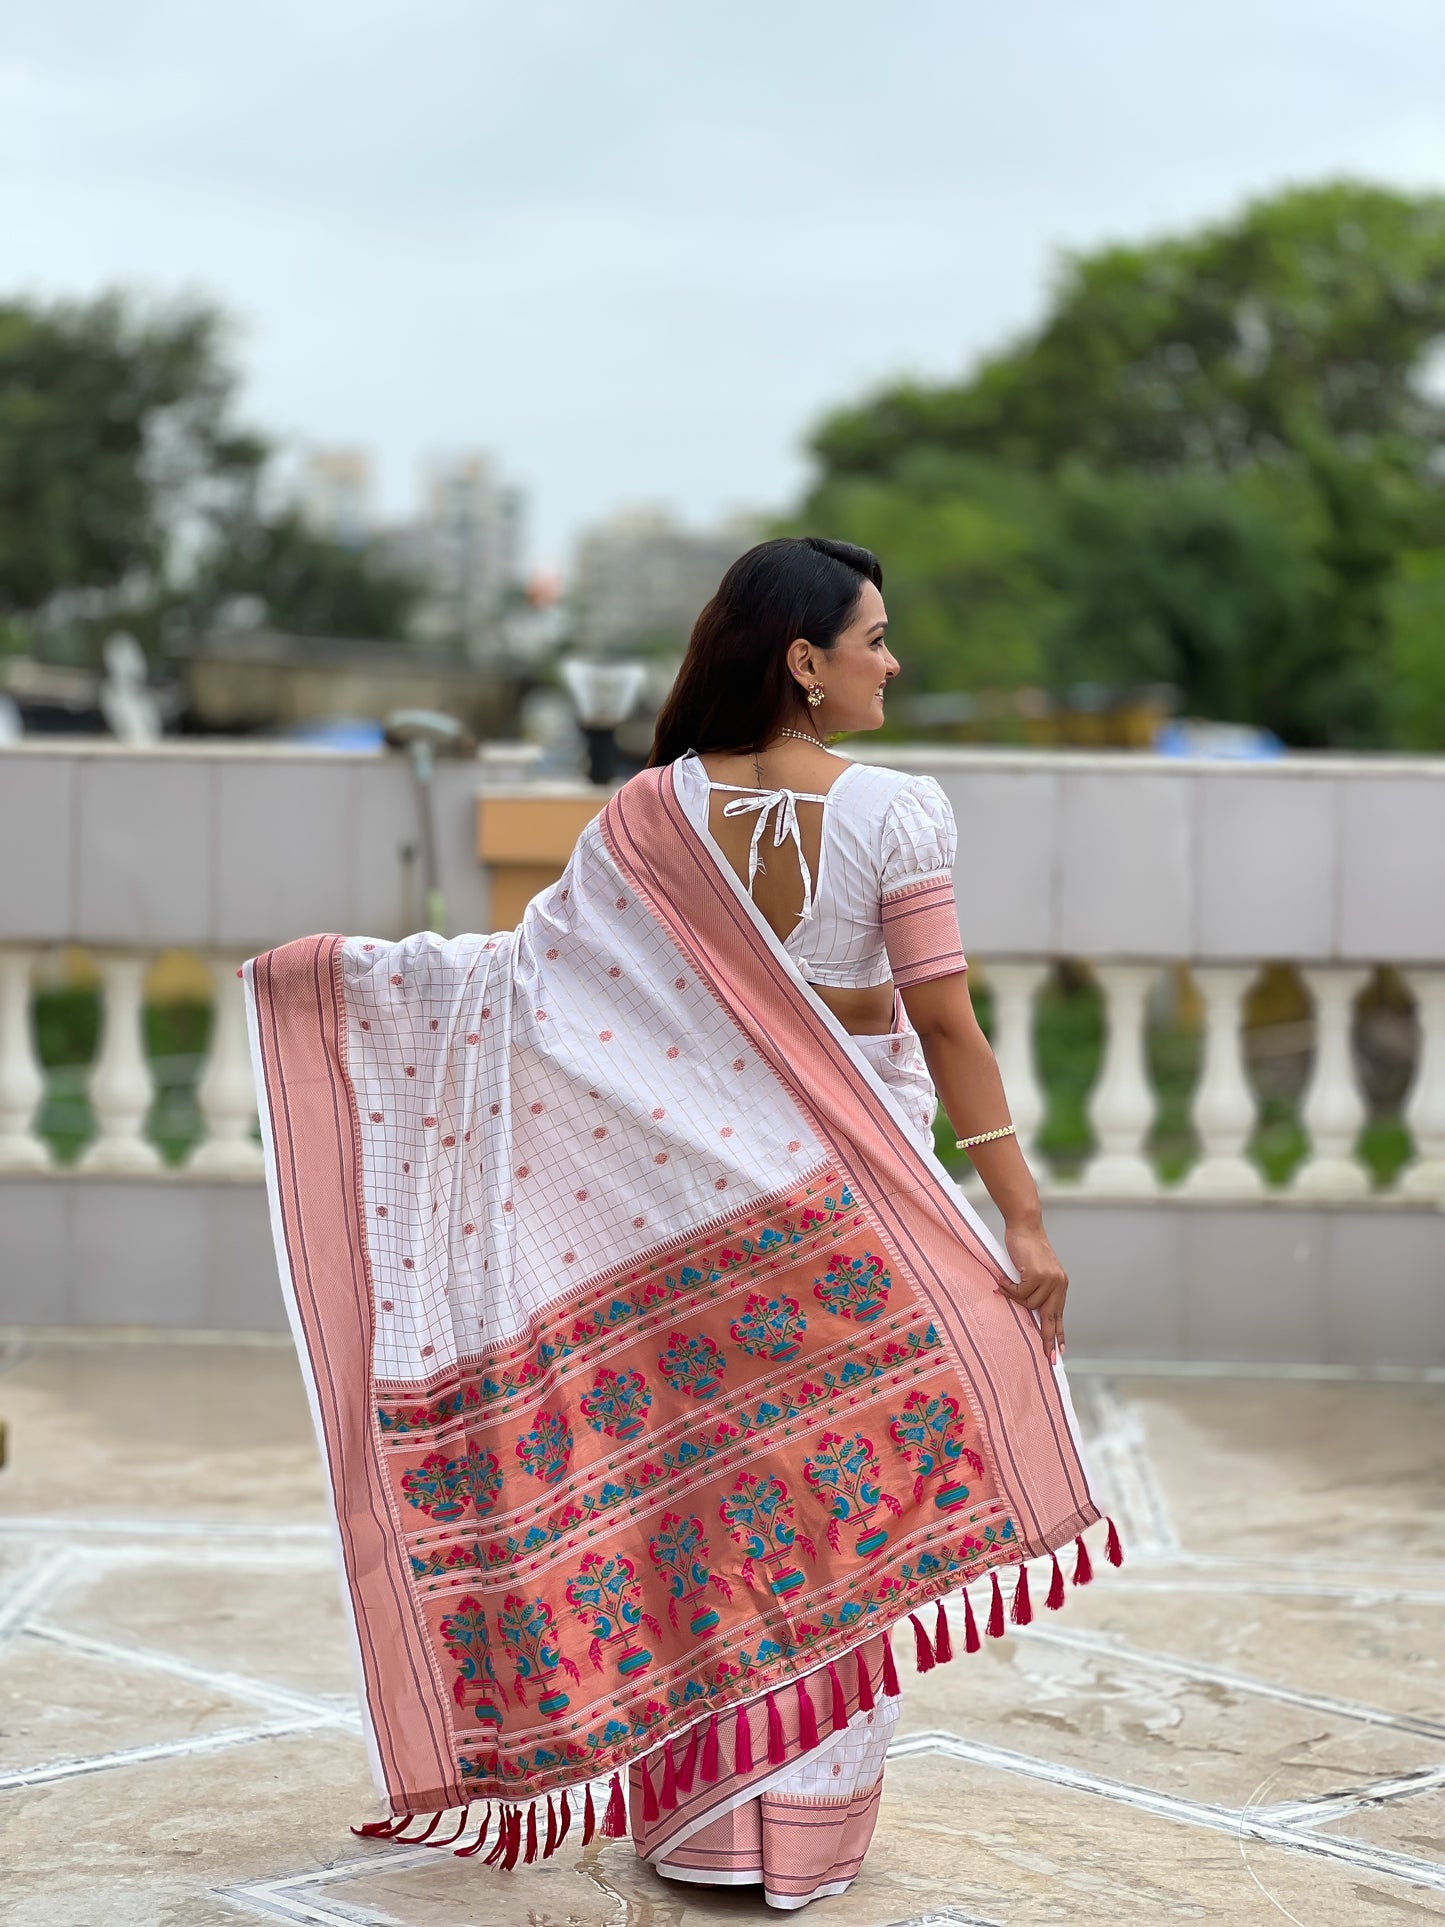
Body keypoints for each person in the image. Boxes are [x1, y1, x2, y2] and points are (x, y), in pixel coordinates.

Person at [245, 536, 1112, 1912]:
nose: (893, 662)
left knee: (699, 1513)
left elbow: (533, 998)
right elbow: (941, 1020)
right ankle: (803, 1832)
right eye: (875, 639)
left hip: (678, 1224)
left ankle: (703, 1832)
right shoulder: (896, 814)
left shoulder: (650, 813)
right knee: (826, 1516)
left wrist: (349, 986)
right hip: (845, 1216)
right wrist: (1020, 1218)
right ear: (803, 662)